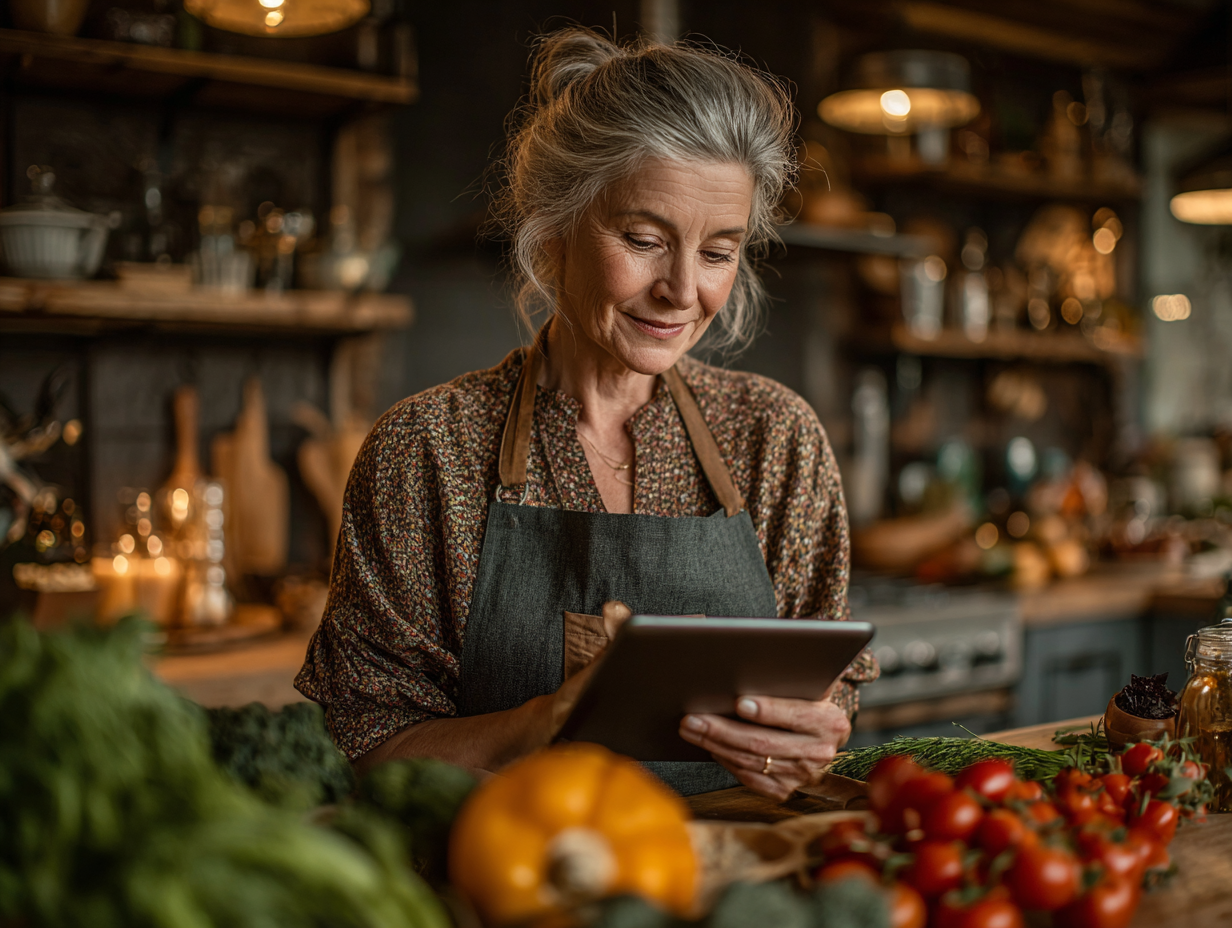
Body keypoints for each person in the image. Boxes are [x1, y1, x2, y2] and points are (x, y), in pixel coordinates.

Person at [296, 26, 878, 800]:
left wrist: (812, 736)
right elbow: (369, 750)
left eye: (717, 252)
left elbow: (825, 697)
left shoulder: (775, 439)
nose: (681, 290)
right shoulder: (427, 449)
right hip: (509, 885)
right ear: (556, 228)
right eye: (643, 238)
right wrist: (551, 720)